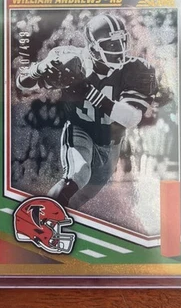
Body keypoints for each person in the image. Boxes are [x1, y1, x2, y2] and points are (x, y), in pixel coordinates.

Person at [16, 13, 158, 209]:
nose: (119, 50)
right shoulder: (73, 61)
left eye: (121, 42)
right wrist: (39, 69)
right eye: (111, 45)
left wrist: (90, 93)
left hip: (112, 141)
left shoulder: (135, 69)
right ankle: (41, 215)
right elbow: (23, 86)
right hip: (80, 129)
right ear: (93, 48)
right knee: (78, 174)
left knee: (84, 194)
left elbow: (131, 118)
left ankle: (56, 220)